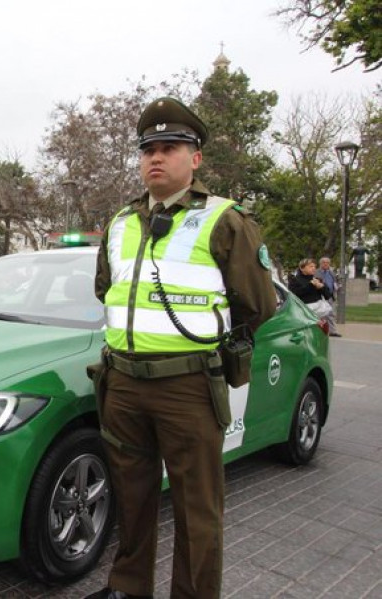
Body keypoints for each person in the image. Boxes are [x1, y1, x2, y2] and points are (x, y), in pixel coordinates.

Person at [87, 97, 276, 599]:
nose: (156, 157)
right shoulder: (121, 223)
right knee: (131, 496)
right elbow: (106, 289)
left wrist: (201, 338)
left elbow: (259, 303)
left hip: (189, 385)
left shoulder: (225, 221)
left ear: (195, 158)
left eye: (170, 147)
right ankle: (129, 587)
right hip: (123, 381)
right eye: (148, 148)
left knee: (197, 508)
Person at [316, 256, 341, 336]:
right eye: (324, 262)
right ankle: (319, 330)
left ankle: (332, 331)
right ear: (320, 264)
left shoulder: (331, 273)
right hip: (320, 297)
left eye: (328, 263)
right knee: (320, 314)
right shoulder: (316, 273)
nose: (326, 264)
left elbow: (335, 283)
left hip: (330, 296)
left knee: (331, 314)